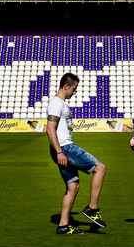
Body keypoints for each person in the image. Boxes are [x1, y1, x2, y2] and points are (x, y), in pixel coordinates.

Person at [46, 72, 108, 235]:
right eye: (74, 89)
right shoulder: (56, 103)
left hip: (62, 149)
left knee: (72, 187)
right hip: (65, 148)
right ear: (65, 87)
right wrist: (60, 152)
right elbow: (49, 129)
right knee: (100, 168)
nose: (75, 92)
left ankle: (63, 226)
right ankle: (92, 208)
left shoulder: (60, 103)